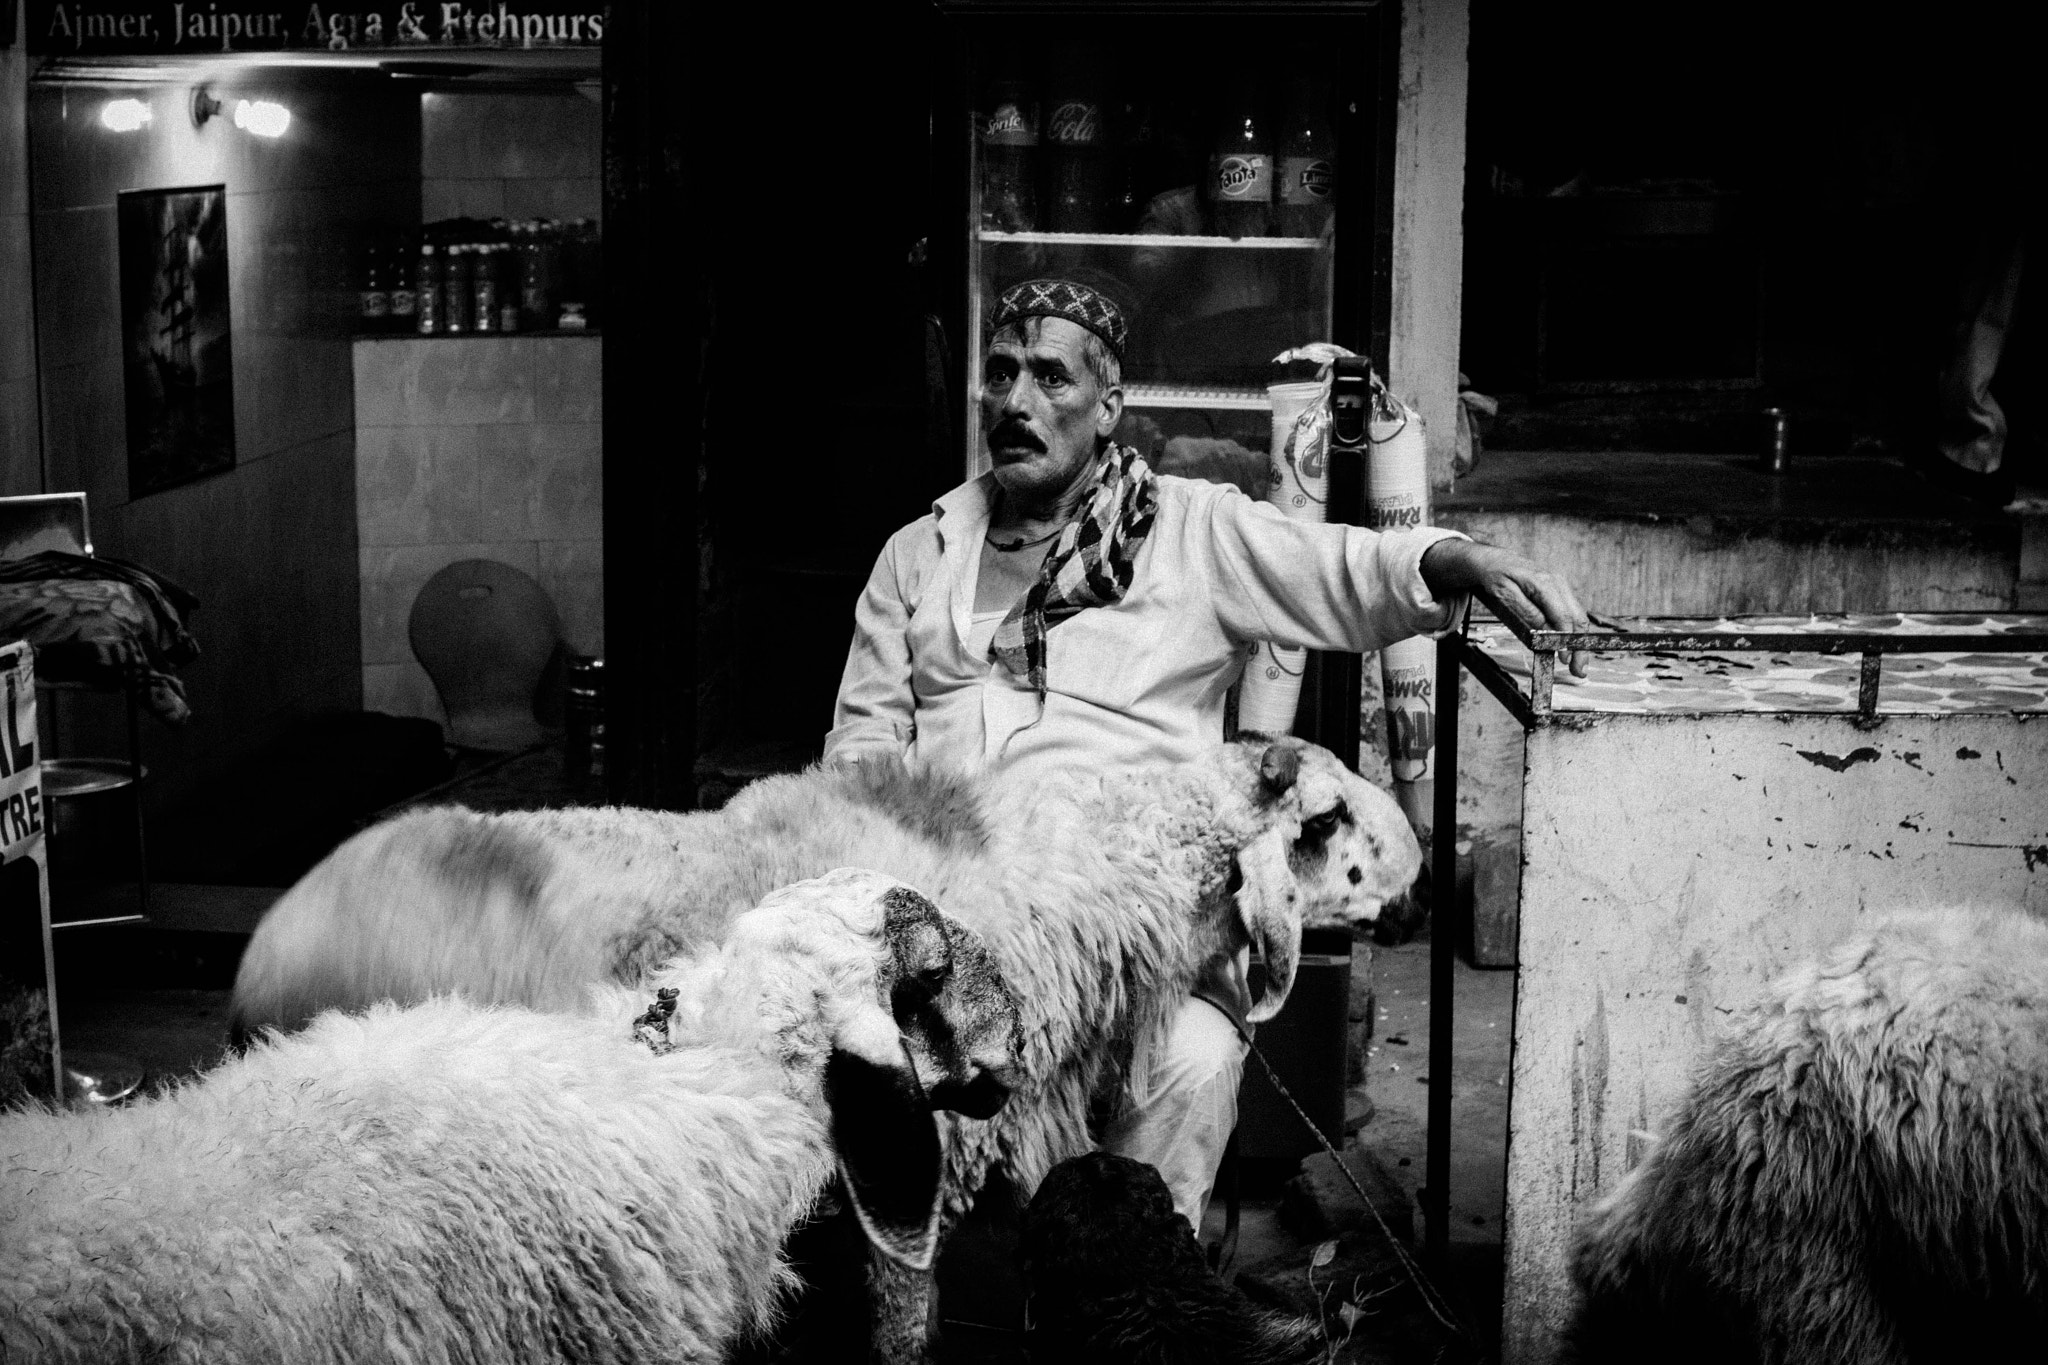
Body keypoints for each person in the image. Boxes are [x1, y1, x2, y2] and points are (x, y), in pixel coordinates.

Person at [825, 278, 1590, 1230]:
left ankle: (1143, 1275)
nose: (1018, 402)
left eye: (1050, 377)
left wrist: (1458, 560)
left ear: (1108, 407)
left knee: (1186, 1060)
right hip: (961, 931)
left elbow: (1343, 568)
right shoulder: (917, 555)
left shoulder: (1190, 529)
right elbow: (858, 763)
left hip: (1149, 944)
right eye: (1001, 373)